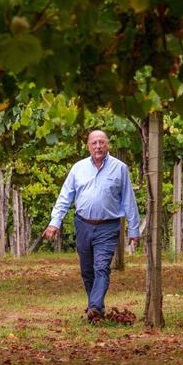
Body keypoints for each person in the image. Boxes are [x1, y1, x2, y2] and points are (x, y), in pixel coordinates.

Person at [44, 130, 141, 322]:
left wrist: (134, 229)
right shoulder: (78, 168)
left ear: (108, 145)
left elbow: (129, 200)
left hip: (108, 226)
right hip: (83, 225)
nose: (98, 146)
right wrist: (55, 223)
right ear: (88, 146)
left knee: (101, 267)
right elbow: (65, 196)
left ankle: (95, 307)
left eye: (102, 142)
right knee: (87, 270)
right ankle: (95, 308)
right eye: (94, 143)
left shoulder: (120, 168)